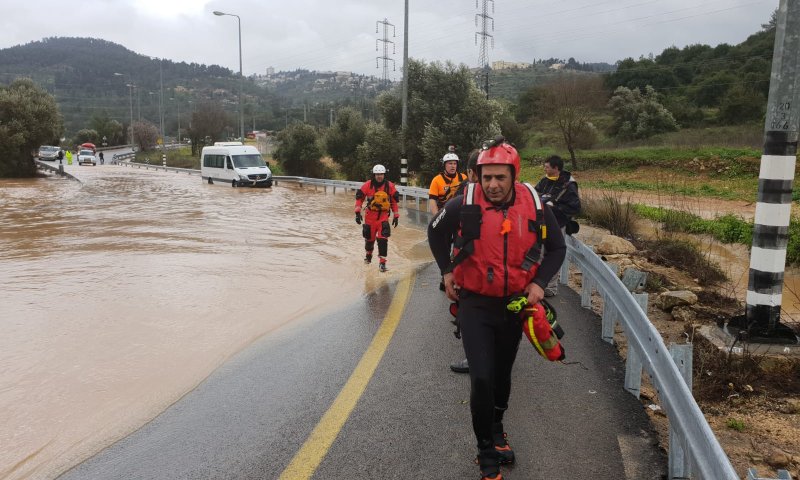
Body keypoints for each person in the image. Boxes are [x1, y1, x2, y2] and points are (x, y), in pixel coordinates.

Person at [428, 136, 566, 480]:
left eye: (499, 177)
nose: (492, 184)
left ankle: (498, 426)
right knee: (482, 378)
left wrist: (538, 283)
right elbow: (435, 232)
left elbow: (557, 249)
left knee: (502, 375)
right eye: (486, 177)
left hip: (515, 304)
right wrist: (446, 272)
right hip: (474, 303)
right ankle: (485, 448)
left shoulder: (535, 206)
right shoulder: (464, 203)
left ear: (513, 175)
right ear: (479, 175)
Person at [448, 148, 480, 375]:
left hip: (476, 270)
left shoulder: (464, 192)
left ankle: (478, 359)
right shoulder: (462, 195)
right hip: (472, 267)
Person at [534, 155, 581, 297]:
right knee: (539, 253)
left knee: (554, 253)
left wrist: (555, 207)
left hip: (558, 223)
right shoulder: (544, 181)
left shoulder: (568, 185)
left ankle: (551, 287)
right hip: (542, 222)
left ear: (556, 168)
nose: (544, 168)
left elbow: (574, 207)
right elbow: (535, 196)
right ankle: (538, 284)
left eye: (547, 167)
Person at [354, 164, 400, 272]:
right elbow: (359, 199)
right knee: (369, 240)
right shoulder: (367, 186)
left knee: (383, 240)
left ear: (384, 174)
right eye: (377, 174)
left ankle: (382, 264)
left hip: (383, 217)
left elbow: (394, 202)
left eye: (381, 174)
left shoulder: (390, 186)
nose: (379, 176)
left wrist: (396, 215)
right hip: (370, 218)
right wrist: (357, 212)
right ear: (374, 174)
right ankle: (368, 256)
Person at [428, 146, 468, 215]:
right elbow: (432, 201)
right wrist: (436, 218)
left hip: (459, 213)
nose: (453, 166)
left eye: (455, 164)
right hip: (443, 214)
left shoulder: (463, 177)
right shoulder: (436, 180)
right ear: (444, 165)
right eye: (450, 163)